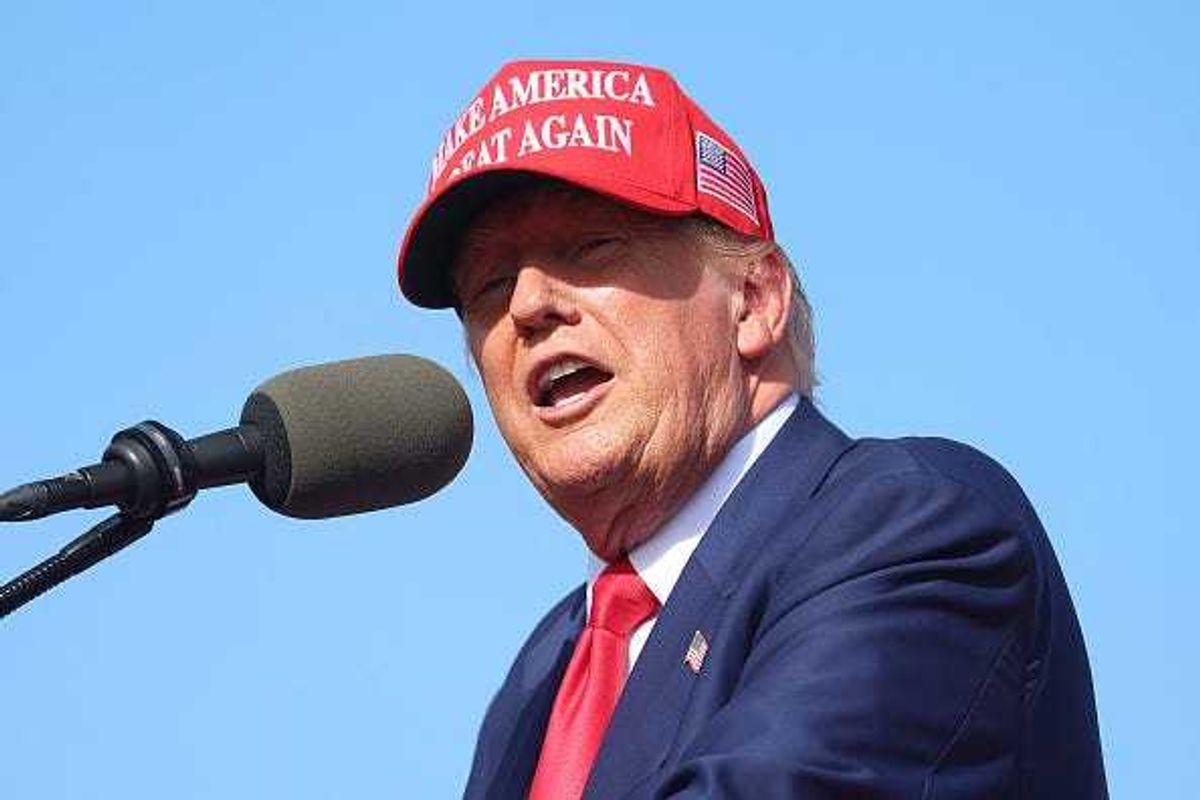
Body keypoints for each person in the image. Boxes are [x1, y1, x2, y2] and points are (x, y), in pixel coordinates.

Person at [396, 60, 1107, 799]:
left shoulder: (912, 527)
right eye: (489, 284)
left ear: (755, 299)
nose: (530, 305)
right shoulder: (543, 675)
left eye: (591, 247)